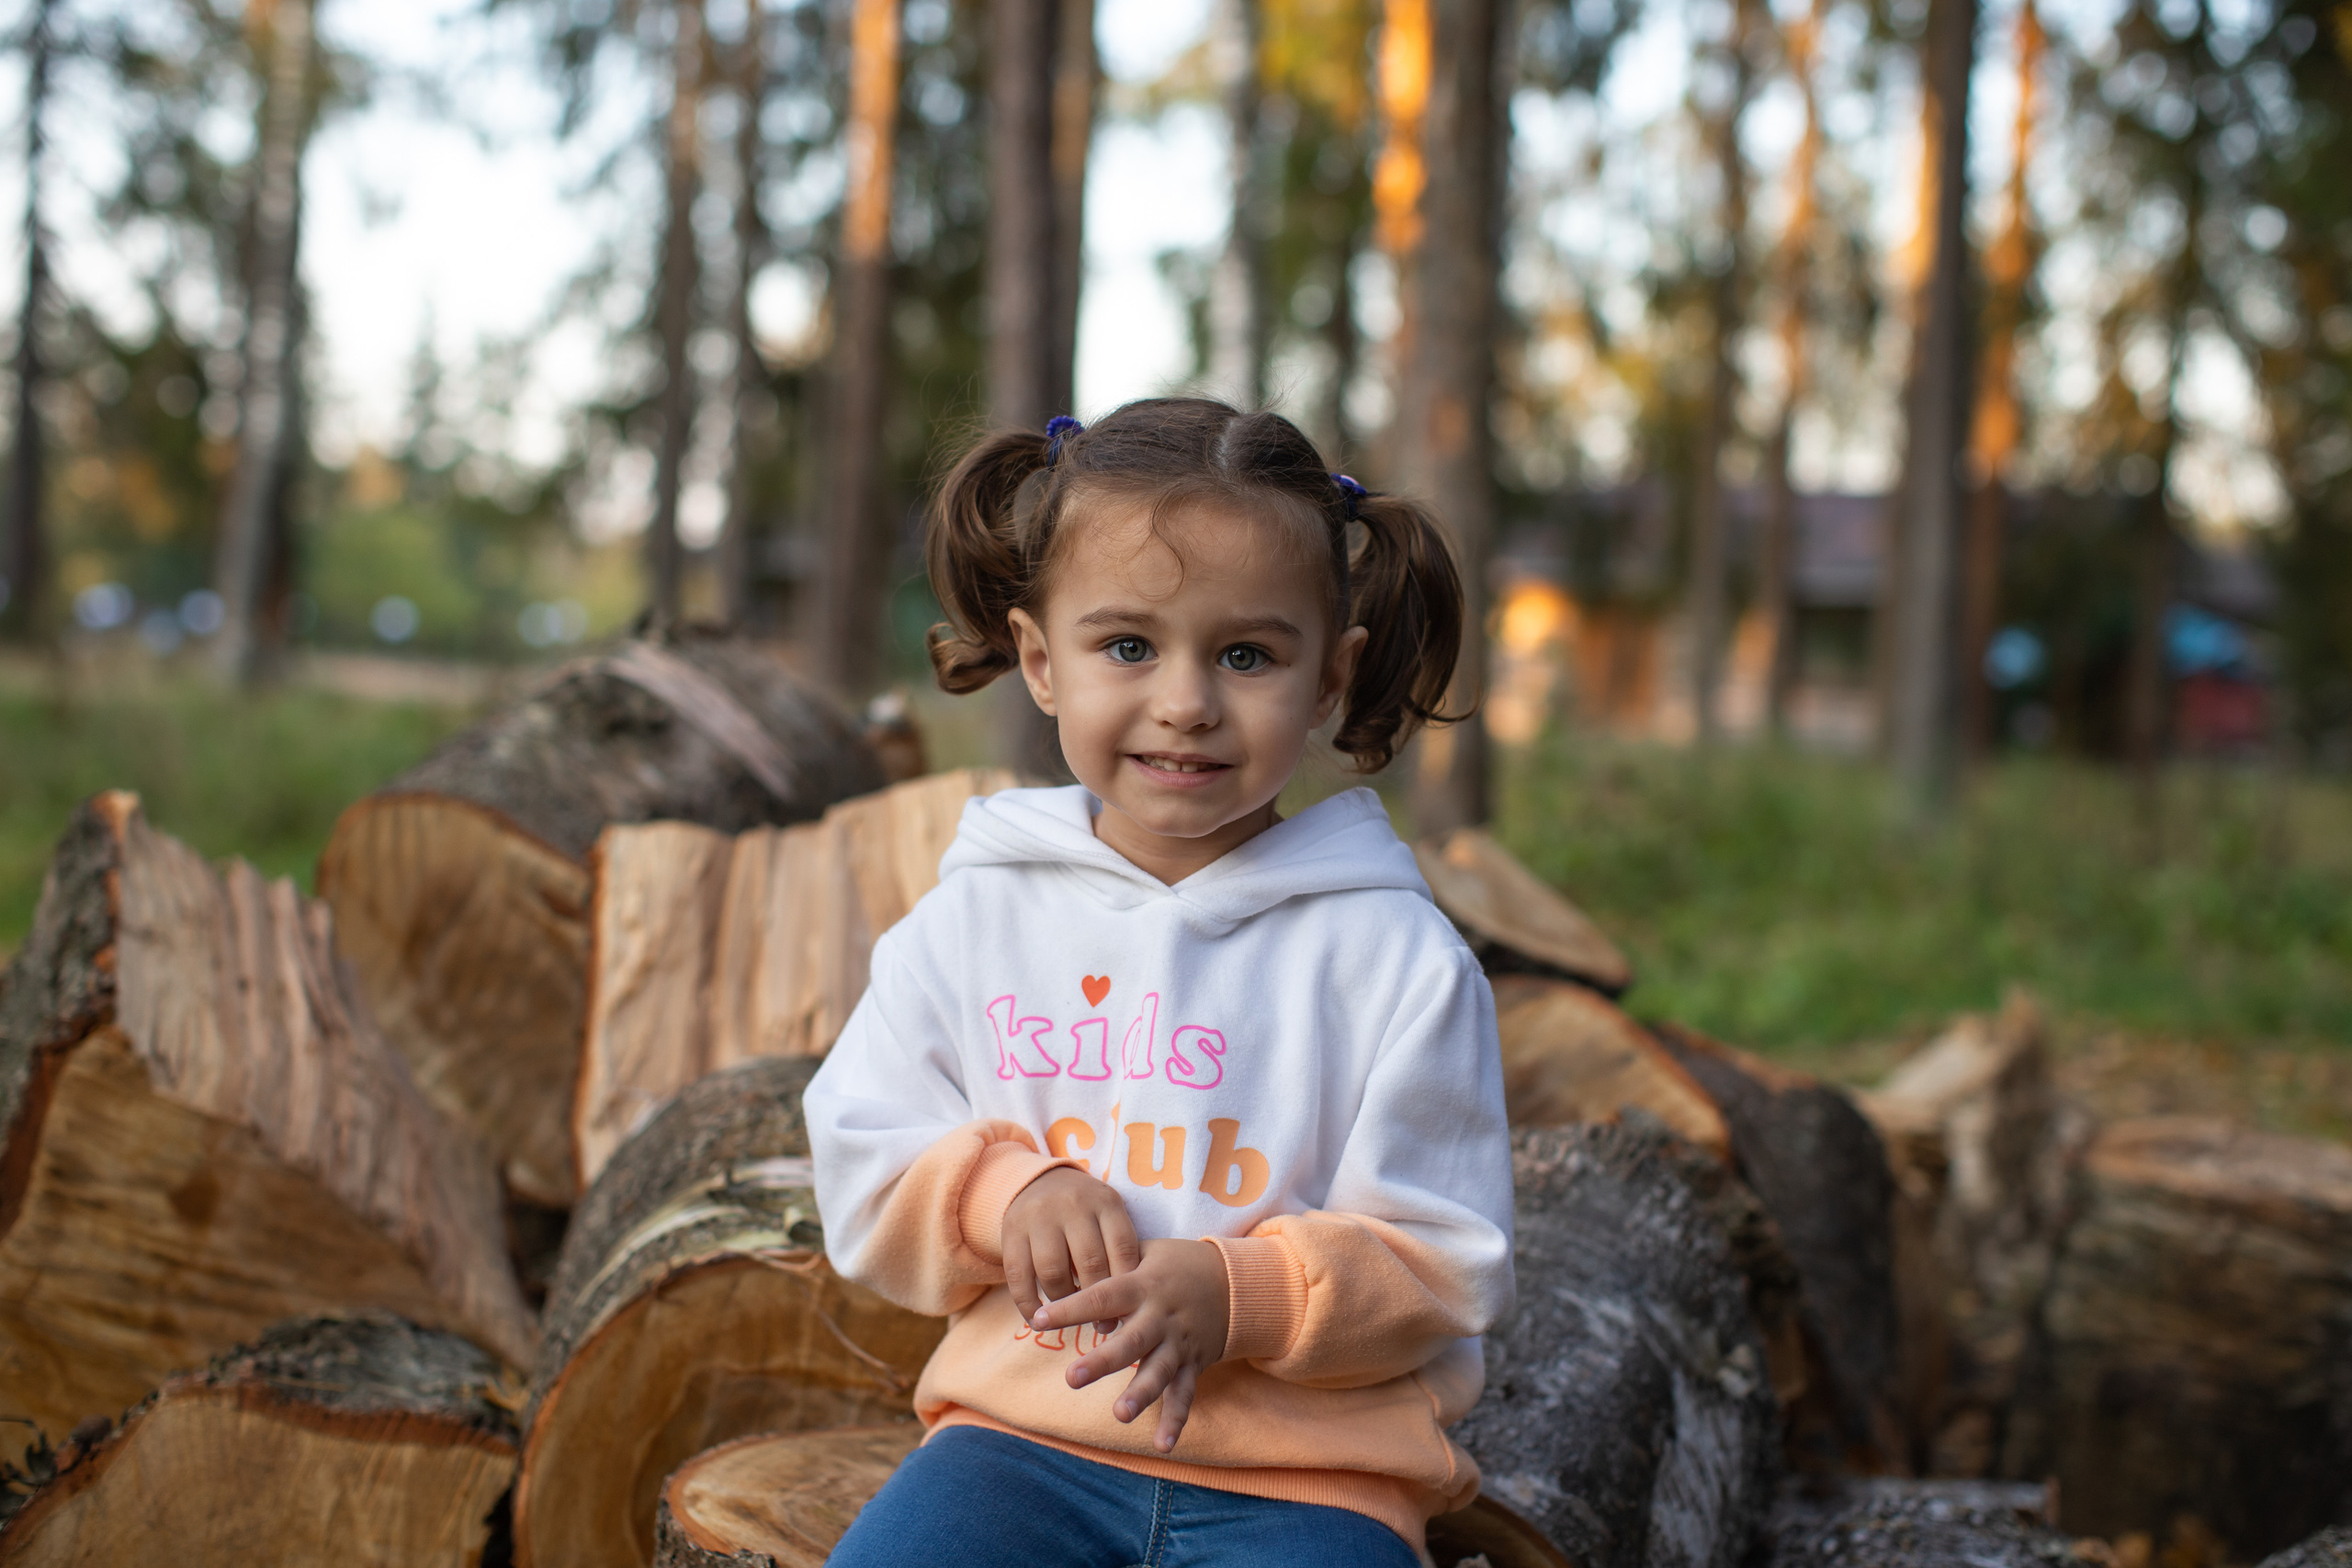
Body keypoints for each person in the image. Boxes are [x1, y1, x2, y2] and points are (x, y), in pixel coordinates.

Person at [808, 399, 1515, 1568]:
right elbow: (861, 1151)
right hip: (1015, 1451)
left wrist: (1244, 1296)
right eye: (1127, 646)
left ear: (1330, 678)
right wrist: (1006, 1195)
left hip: (1310, 1484)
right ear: (1040, 661)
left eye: (1246, 654)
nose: (1186, 701)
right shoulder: (974, 919)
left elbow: (1445, 1260)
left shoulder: (1393, 960)